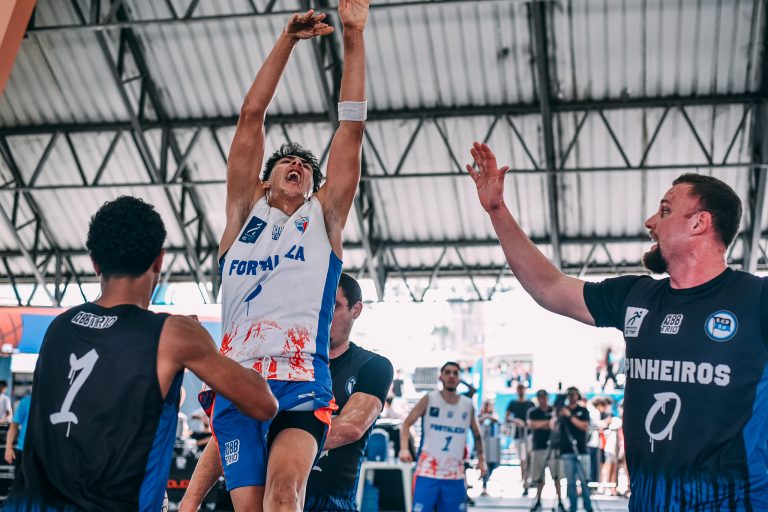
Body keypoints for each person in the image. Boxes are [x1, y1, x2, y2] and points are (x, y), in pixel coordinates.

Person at [466, 141, 768, 509]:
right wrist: (497, 210)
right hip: (649, 501)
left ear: (699, 222)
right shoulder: (635, 295)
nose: (650, 222)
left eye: (665, 210)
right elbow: (549, 287)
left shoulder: (757, 300)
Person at [195, 2, 369, 510]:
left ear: (313, 185)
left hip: (300, 378)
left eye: (305, 166)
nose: (296, 164)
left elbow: (351, 129)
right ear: (264, 180)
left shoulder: (324, 217)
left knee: (284, 492)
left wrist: (353, 35)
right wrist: (287, 40)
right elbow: (251, 115)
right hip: (238, 377)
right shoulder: (242, 216)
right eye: (286, 161)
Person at [2, 196, 277, 512]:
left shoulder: (59, 328)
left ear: (94, 262)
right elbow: (263, 403)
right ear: (159, 261)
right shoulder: (174, 335)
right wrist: (203, 345)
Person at [180, 274, 393, 512]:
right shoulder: (277, 365)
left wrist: (273, 440)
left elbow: (351, 427)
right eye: (315, 305)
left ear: (356, 310)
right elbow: (230, 432)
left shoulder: (373, 366)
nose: (321, 313)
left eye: (333, 306)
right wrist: (191, 501)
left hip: (330, 506)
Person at [399, 362, 487, 512]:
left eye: (455, 373)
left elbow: (477, 435)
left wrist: (482, 460)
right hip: (427, 471)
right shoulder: (429, 398)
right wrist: (404, 449)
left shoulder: (467, 405)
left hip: (454, 474)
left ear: (459, 378)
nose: (451, 376)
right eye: (447, 372)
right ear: (441, 377)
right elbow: (407, 423)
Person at [527, 390, 564, 512]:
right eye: (540, 397)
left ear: (547, 398)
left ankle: (560, 501)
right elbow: (533, 425)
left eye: (544, 397)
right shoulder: (533, 412)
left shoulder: (554, 410)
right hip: (538, 447)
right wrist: (548, 423)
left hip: (553, 448)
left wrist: (544, 424)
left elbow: (555, 426)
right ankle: (538, 501)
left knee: (556, 477)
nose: (542, 400)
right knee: (539, 477)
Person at [558, 387, 592, 512]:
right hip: (566, 450)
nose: (572, 396)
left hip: (581, 450)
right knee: (570, 483)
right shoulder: (562, 411)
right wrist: (559, 414)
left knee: (584, 481)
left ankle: (588, 506)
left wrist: (570, 415)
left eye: (574, 394)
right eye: (569, 394)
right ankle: (573, 507)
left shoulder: (583, 410)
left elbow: (584, 426)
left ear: (578, 395)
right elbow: (555, 427)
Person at [505, 383, 534, 495]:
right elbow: (507, 417)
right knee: (523, 459)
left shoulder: (530, 403)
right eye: (519, 389)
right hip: (518, 435)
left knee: (529, 457)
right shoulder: (513, 403)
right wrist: (516, 421)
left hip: (529, 434)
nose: (521, 391)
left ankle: (528, 478)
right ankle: (524, 482)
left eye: (522, 389)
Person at [477, 399, 501, 497]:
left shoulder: (494, 416)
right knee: (484, 464)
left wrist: (487, 416)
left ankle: (484, 479)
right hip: (482, 444)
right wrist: (484, 417)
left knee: (493, 464)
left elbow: (497, 420)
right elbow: (477, 422)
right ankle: (484, 484)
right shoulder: (480, 416)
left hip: (492, 444)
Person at [3, 390, 30, 472]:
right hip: (24, 449)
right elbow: (14, 426)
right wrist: (8, 447)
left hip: (46, 451)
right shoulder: (26, 401)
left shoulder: (53, 402)